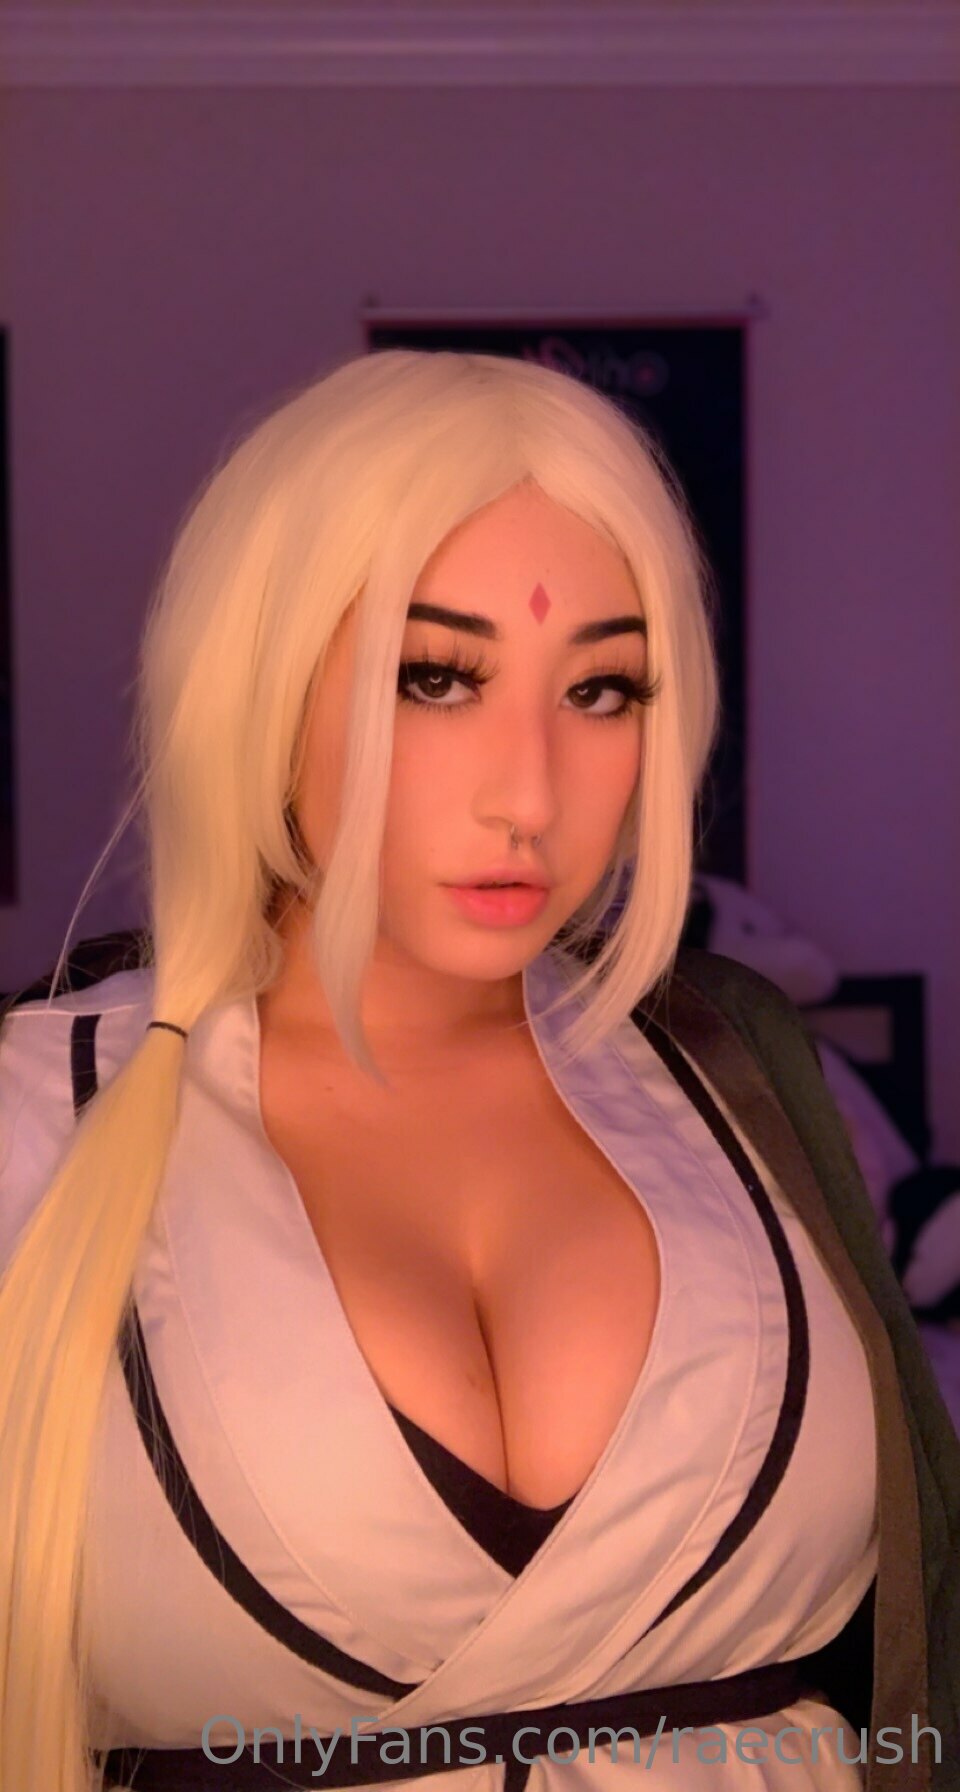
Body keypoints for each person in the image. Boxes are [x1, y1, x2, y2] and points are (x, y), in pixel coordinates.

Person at [0, 349, 956, 1792]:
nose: (529, 792)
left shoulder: (741, 1076)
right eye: (436, 678)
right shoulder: (42, 1113)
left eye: (603, 690)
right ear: (260, 682)